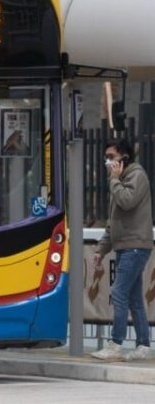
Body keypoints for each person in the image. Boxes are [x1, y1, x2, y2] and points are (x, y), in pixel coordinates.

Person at [91, 139, 153, 361]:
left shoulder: (137, 176)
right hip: (126, 246)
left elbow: (127, 201)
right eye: (106, 157)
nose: (107, 161)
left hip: (135, 246)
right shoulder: (119, 181)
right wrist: (100, 250)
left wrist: (114, 181)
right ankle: (143, 345)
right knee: (134, 298)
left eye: (111, 157)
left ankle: (115, 344)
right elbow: (114, 221)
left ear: (124, 158)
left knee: (118, 292)